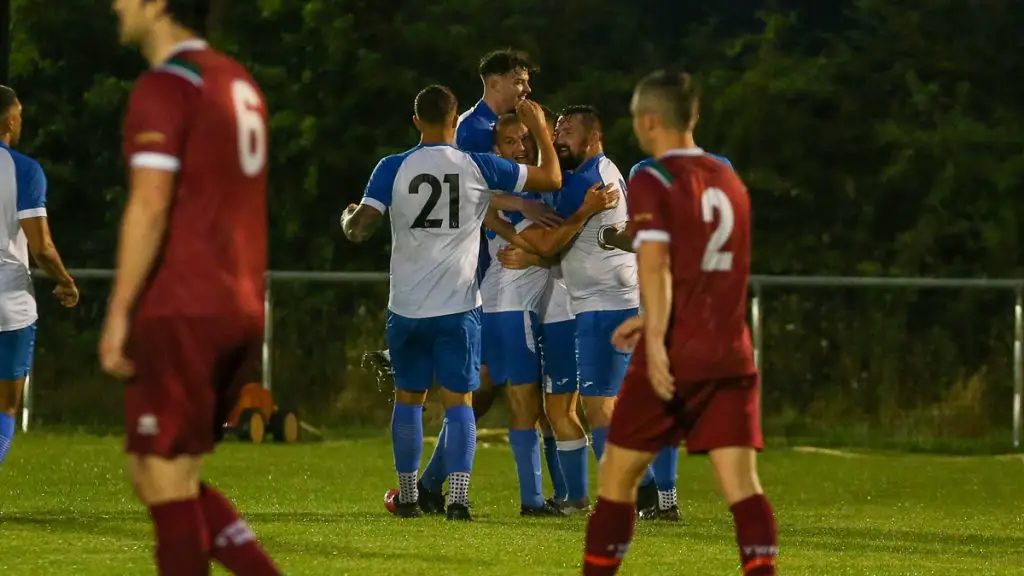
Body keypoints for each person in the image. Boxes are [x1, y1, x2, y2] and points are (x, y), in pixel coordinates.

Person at [100, 2, 280, 574]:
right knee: (162, 474)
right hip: (242, 303)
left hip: (186, 302)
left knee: (165, 479)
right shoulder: (238, 81)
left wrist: (120, 312)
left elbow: (150, 205)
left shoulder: (165, 86)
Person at [581, 70, 776, 575]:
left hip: (677, 350)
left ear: (648, 121)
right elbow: (714, 271)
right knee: (742, 486)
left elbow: (656, 265)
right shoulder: (728, 178)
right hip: (730, 348)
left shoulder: (653, 177)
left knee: (616, 480)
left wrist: (657, 337)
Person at [341, 86, 564, 521]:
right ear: (454, 118)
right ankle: (458, 500)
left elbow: (360, 230)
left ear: (415, 121)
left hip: (406, 307)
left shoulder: (392, 167)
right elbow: (551, 179)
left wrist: (347, 215)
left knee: (408, 398)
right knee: (459, 402)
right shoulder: (477, 164)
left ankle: (407, 496)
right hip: (459, 305)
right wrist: (538, 128)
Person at [512, 105, 636, 512]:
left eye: (567, 132)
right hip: (607, 300)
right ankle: (643, 495)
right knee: (603, 405)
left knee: (598, 406)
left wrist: (531, 248)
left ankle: (633, 495)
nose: (559, 139)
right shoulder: (600, 171)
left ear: (593, 138)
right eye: (557, 131)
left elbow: (550, 244)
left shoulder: (584, 182)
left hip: (602, 303)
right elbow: (560, 248)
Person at [479, 114, 565, 516]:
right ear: (498, 150)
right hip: (510, 310)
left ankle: (427, 485)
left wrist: (529, 247)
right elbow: (551, 243)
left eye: (526, 139)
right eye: (511, 141)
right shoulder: (511, 183)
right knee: (526, 406)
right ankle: (533, 501)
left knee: (481, 397)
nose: (521, 147)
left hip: (499, 306)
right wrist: (532, 247)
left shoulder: (524, 186)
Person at [0, 85, 79, 467]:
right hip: (9, 305)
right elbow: (42, 247)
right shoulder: (24, 171)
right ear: (11, 120)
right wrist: (65, 280)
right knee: (5, 407)